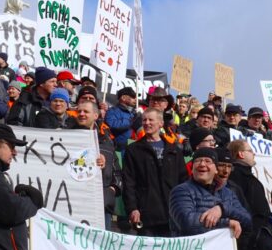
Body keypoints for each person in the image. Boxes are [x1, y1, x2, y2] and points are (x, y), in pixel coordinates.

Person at [122, 108, 188, 237]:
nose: (147, 123)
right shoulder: (133, 150)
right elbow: (129, 183)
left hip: (172, 216)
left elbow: (183, 180)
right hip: (146, 216)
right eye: (144, 120)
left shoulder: (174, 150)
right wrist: (132, 209)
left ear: (160, 123)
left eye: (151, 120)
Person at [72, 99, 122, 229]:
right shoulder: (68, 136)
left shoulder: (107, 140)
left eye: (86, 111)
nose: (81, 114)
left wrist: (113, 189)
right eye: (79, 111)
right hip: (75, 203)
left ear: (96, 115)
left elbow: (116, 170)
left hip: (102, 205)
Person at [105, 86, 138, 152]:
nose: (135, 99)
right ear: (123, 98)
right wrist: (131, 121)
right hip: (119, 149)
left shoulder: (134, 113)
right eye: (133, 97)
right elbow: (111, 124)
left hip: (133, 148)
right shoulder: (112, 111)